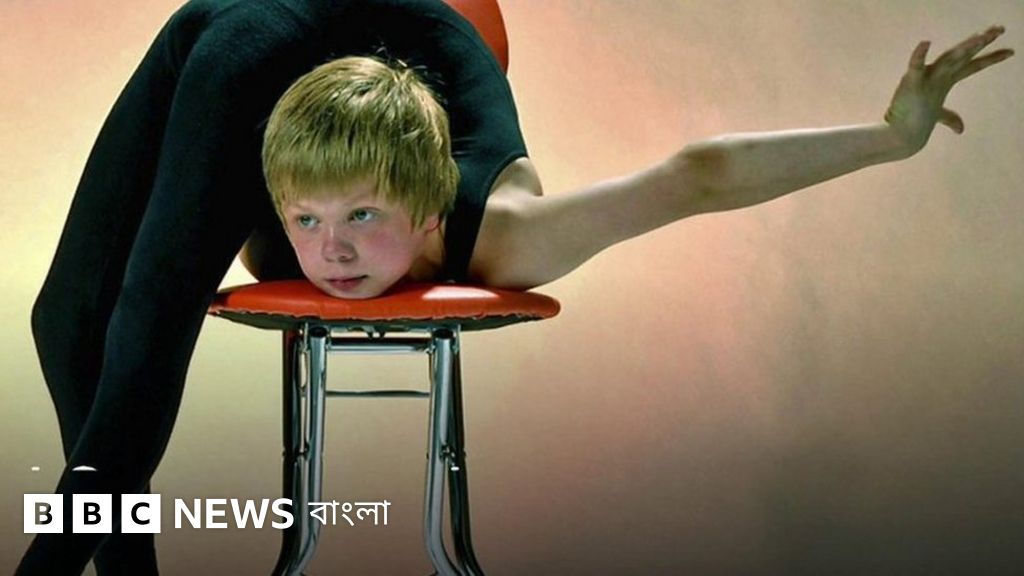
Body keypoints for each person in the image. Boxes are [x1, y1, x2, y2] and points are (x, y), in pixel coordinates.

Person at [19, 0, 1012, 572]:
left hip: (407, 39)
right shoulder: (266, 165)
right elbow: (134, 318)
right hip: (247, 27)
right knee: (70, 319)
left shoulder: (504, 233)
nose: (333, 254)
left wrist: (890, 138)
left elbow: (695, 175)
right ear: (269, 196)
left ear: (428, 217)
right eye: (306, 222)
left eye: (363, 220)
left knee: (140, 329)